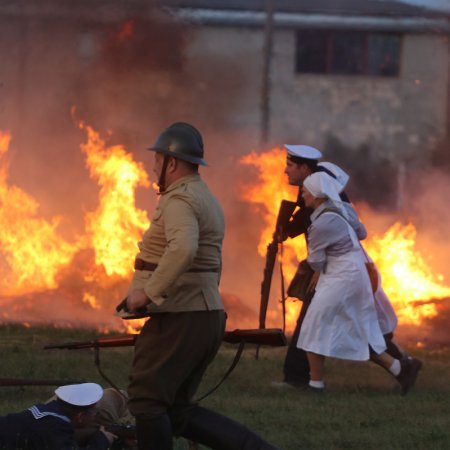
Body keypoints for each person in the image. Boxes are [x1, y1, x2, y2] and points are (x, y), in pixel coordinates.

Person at [119, 122, 278, 450]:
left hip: (181, 315)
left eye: (157, 160)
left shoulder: (179, 200)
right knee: (176, 409)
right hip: (200, 312)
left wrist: (147, 293)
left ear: (171, 163)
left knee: (147, 401)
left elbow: (184, 249)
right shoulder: (203, 195)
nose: (153, 167)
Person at [275, 145, 422, 393]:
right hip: (337, 266)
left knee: (315, 323)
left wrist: (320, 268)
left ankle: (302, 379)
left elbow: (340, 233)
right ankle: (401, 367)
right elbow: (307, 219)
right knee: (359, 324)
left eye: (290, 165)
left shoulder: (323, 191)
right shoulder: (318, 190)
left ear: (304, 168)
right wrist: (286, 231)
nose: (285, 170)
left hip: (338, 269)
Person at [297, 171, 402, 391]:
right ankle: (400, 369)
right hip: (349, 274)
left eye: (305, 190)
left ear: (317, 195)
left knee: (314, 325)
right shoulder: (338, 210)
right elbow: (360, 232)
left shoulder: (322, 223)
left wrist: (312, 260)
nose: (302, 193)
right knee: (349, 328)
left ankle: (315, 385)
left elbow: (316, 262)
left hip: (342, 277)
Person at [0, 383, 115, 450]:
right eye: (94, 413)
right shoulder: (56, 427)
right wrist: (103, 440)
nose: (95, 416)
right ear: (80, 416)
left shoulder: (50, 414)